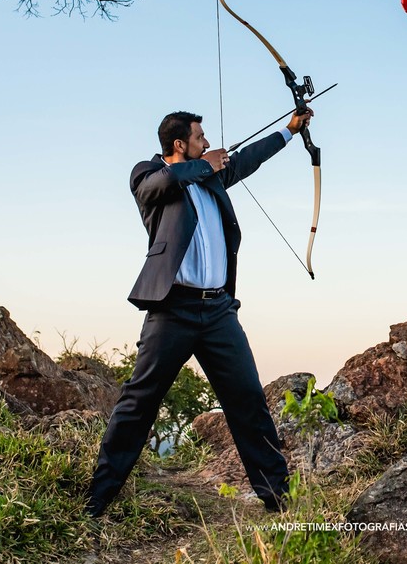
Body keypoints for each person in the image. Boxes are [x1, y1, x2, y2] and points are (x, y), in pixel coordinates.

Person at [84, 108, 313, 517]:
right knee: (138, 403)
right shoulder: (148, 175)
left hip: (219, 311)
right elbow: (163, 181)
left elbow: (247, 159)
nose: (208, 143)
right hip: (172, 309)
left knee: (247, 401)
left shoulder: (211, 177)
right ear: (179, 145)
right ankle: (98, 498)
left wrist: (290, 131)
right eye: (200, 137)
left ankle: (280, 500)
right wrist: (201, 165)